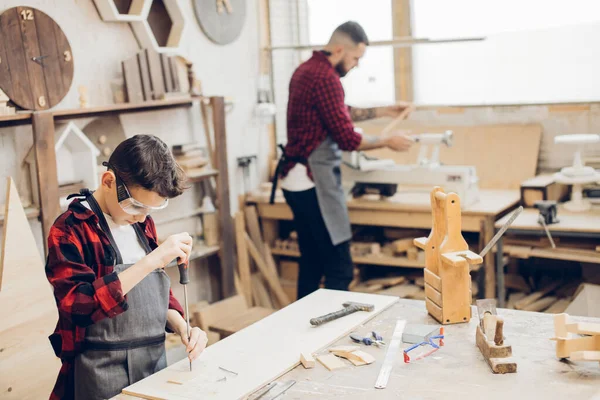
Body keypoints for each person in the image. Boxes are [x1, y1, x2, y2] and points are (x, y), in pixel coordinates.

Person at [45, 135, 208, 400]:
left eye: (150, 210)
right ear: (108, 182)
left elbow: (153, 293)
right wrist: (153, 260)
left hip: (153, 363)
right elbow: (77, 306)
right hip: (100, 371)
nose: (142, 217)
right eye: (136, 206)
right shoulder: (69, 229)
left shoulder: (141, 223)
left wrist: (182, 327)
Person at [275, 21, 414, 299]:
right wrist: (388, 140)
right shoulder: (326, 78)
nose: (356, 65)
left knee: (312, 263)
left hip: (295, 180)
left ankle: (303, 333)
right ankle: (324, 332)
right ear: (339, 49)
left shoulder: (306, 70)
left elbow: (339, 110)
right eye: (355, 58)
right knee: (340, 269)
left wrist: (384, 110)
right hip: (312, 181)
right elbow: (348, 139)